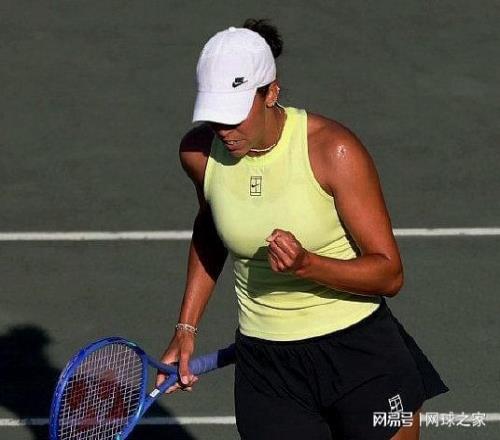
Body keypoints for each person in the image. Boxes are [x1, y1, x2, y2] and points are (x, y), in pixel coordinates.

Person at [156, 19, 449, 440]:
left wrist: (308, 265)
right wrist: (186, 328)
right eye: (214, 116)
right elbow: (210, 229)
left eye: (234, 115)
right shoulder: (199, 154)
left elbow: (389, 275)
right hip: (269, 372)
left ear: (271, 92)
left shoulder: (333, 151)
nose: (224, 131)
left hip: (362, 359)